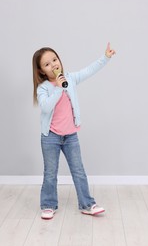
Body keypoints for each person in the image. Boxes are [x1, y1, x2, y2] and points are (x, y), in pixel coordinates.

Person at [32, 43, 115, 219]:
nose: (53, 64)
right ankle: (48, 204)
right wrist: (58, 88)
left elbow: (89, 70)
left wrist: (105, 57)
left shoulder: (71, 78)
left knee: (78, 171)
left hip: (70, 136)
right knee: (50, 173)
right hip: (51, 137)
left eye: (54, 60)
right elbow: (46, 108)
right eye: (47, 64)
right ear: (41, 71)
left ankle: (87, 204)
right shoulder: (44, 88)